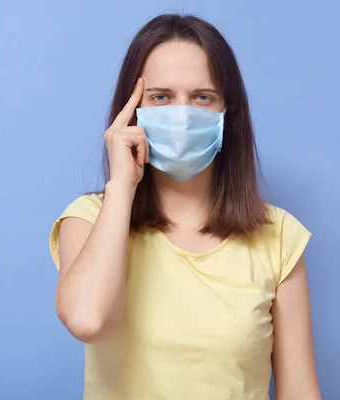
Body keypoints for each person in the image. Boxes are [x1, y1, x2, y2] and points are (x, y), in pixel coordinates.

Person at [49, 13, 322, 400]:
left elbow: (299, 390)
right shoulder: (89, 220)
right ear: (132, 110)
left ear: (228, 112)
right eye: (161, 97)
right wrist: (122, 186)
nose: (181, 114)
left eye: (202, 97)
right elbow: (88, 321)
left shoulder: (279, 237)